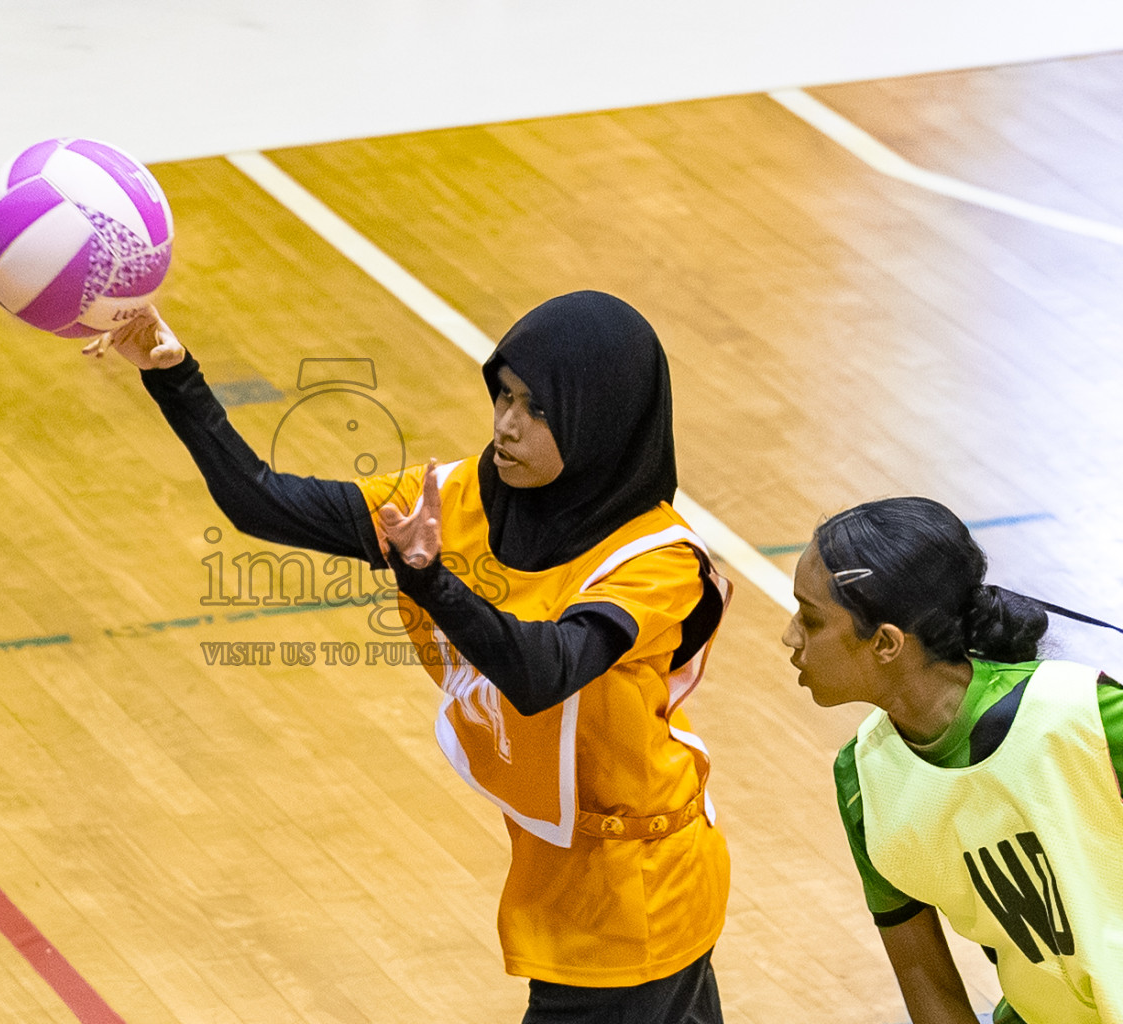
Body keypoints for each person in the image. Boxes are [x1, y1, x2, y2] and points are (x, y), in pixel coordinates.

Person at [91, 290, 732, 1022]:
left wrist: (432, 581)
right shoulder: (450, 501)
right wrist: (172, 375)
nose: (507, 424)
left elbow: (543, 673)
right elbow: (262, 502)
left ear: (600, 421)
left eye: (539, 409)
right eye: (505, 394)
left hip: (641, 893)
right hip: (567, 877)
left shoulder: (656, 560)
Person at [782, 496, 1123, 1024]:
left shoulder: (1086, 717)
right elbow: (927, 981)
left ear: (886, 643)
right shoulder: (863, 781)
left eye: (810, 619)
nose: (789, 635)